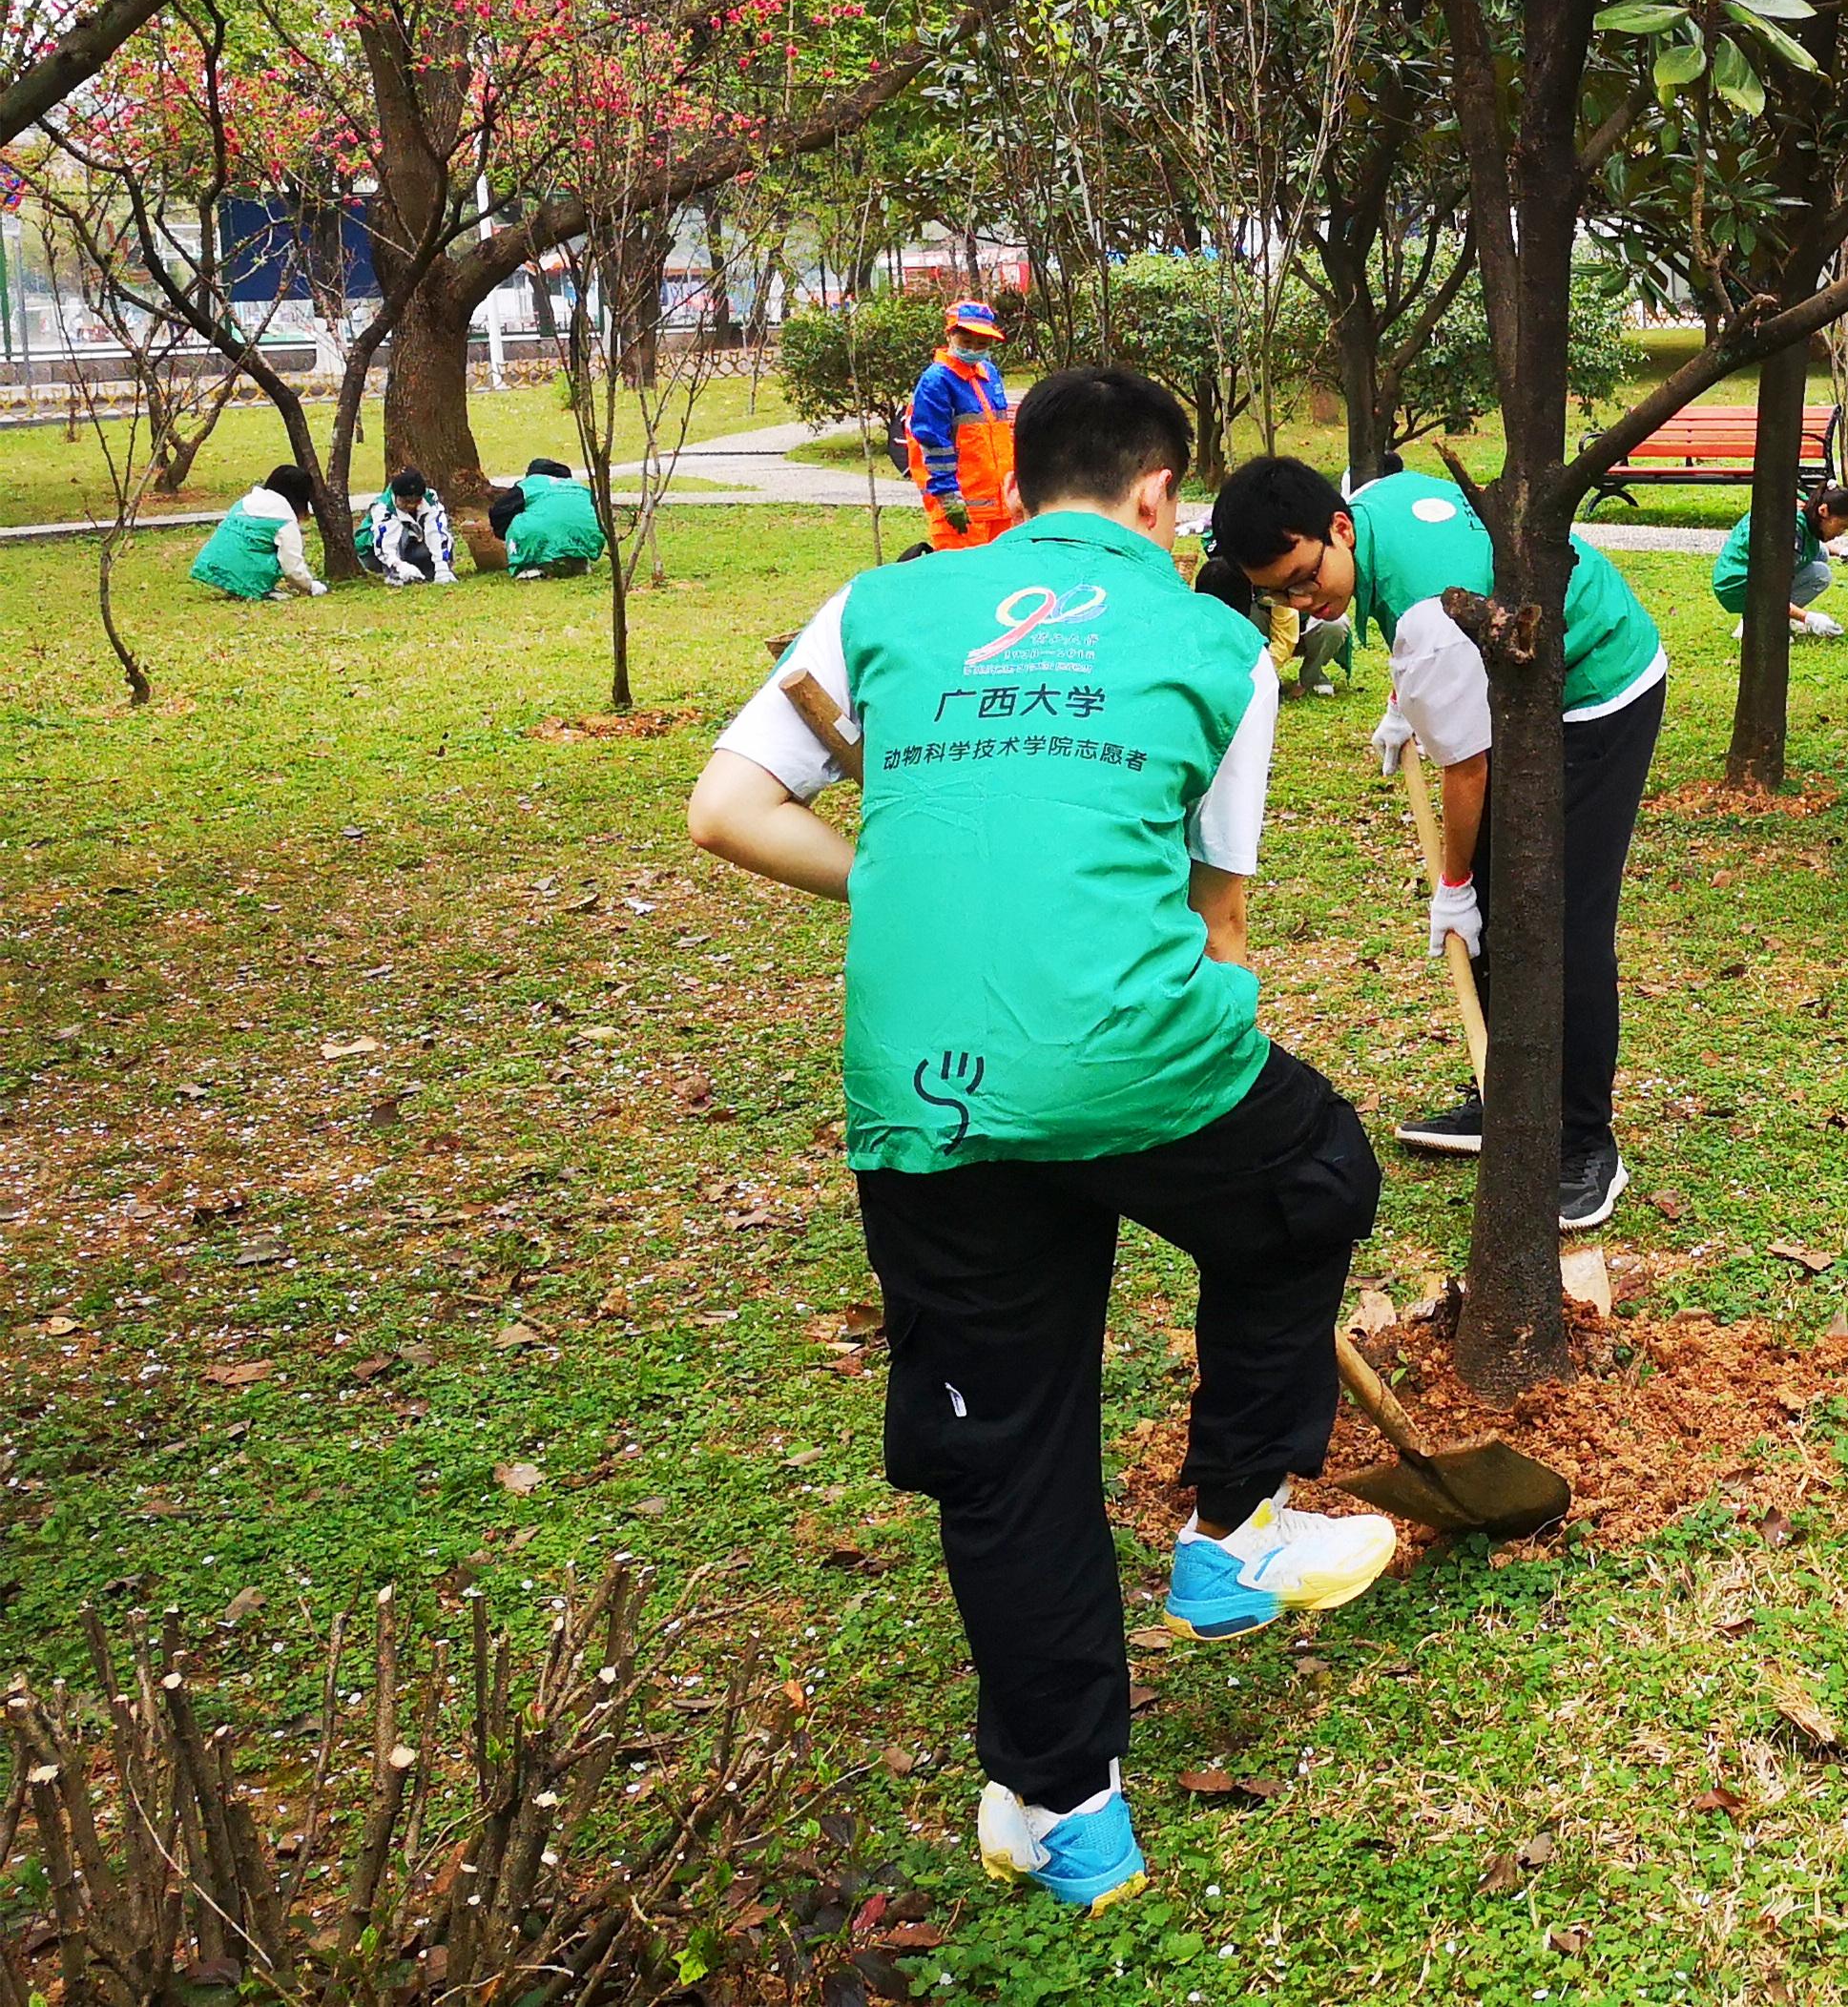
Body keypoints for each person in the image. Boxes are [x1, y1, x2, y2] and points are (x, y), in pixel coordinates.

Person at [685, 368, 1395, 1919]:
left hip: (923, 1087)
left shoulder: (880, 605)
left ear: (1017, 486)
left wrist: (904, 879)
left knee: (1005, 1443)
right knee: (1314, 1175)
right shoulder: (1220, 647)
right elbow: (1216, 921)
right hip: (1130, 1051)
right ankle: (1233, 1527)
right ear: (1158, 496)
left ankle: (1064, 1815)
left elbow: (727, 807)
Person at [1208, 454, 1667, 1230]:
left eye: (1303, 578)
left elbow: (1467, 767)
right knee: (1497, 896)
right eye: (1278, 593)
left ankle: (1586, 1141)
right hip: (1519, 673)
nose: (1301, 602)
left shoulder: (1428, 612)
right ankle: (1506, 1091)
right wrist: (1410, 700)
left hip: (1600, 685)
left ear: (1339, 527)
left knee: (1564, 920)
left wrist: (1453, 885)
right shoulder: (1376, 505)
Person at [907, 299, 1018, 549]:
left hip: (1001, 505)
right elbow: (933, 444)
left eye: (982, 344)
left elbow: (1002, 436)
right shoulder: (936, 381)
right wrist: (948, 498)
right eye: (966, 342)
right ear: (950, 336)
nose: (974, 349)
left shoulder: (988, 374)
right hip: (962, 508)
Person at [1713, 479, 1848, 639]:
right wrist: (1808, 618)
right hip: (1738, 585)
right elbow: (1769, 590)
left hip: (1743, 574)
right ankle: (1755, 622)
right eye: (1841, 526)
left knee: (1821, 558)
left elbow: (1814, 544)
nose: (1841, 533)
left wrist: (1843, 552)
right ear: (1824, 511)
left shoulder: (1806, 509)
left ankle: (1773, 618)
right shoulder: (1788, 532)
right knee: (1820, 574)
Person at [1194, 552, 1355, 698]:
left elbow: (1286, 637)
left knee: (1334, 624)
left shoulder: (1273, 574)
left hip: (1302, 631)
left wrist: (1263, 672)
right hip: (1263, 628)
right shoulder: (1218, 576)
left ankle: (1311, 677)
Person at [188, 465, 327, 601]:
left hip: (209, 566)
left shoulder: (245, 502)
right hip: (244, 578)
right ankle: (254, 588)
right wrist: (310, 586)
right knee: (280, 553)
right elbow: (291, 566)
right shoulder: (285, 519)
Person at [492, 459, 605, 577]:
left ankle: (535, 565)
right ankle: (576, 561)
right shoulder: (580, 488)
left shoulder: (529, 485)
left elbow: (498, 513)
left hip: (541, 539)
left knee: (518, 521)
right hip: (585, 540)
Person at [357, 468, 458, 587]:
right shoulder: (383, 507)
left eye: (417, 501)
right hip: (373, 553)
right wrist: (399, 566)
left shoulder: (429, 499)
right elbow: (385, 546)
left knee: (441, 540)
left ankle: (428, 572)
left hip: (412, 547)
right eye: (406, 501)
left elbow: (436, 531)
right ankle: (395, 575)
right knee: (401, 532)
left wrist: (442, 567)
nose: (411, 505)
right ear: (396, 496)